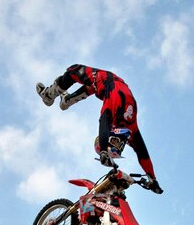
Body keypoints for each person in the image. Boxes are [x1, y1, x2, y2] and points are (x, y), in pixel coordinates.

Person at [36, 64, 163, 194]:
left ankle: (60, 99)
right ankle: (52, 96)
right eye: (118, 145)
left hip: (104, 84)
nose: (120, 144)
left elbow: (105, 122)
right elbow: (142, 153)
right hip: (108, 81)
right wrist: (152, 179)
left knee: (80, 76)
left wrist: (104, 150)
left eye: (115, 144)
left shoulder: (116, 115)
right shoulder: (130, 128)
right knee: (75, 71)